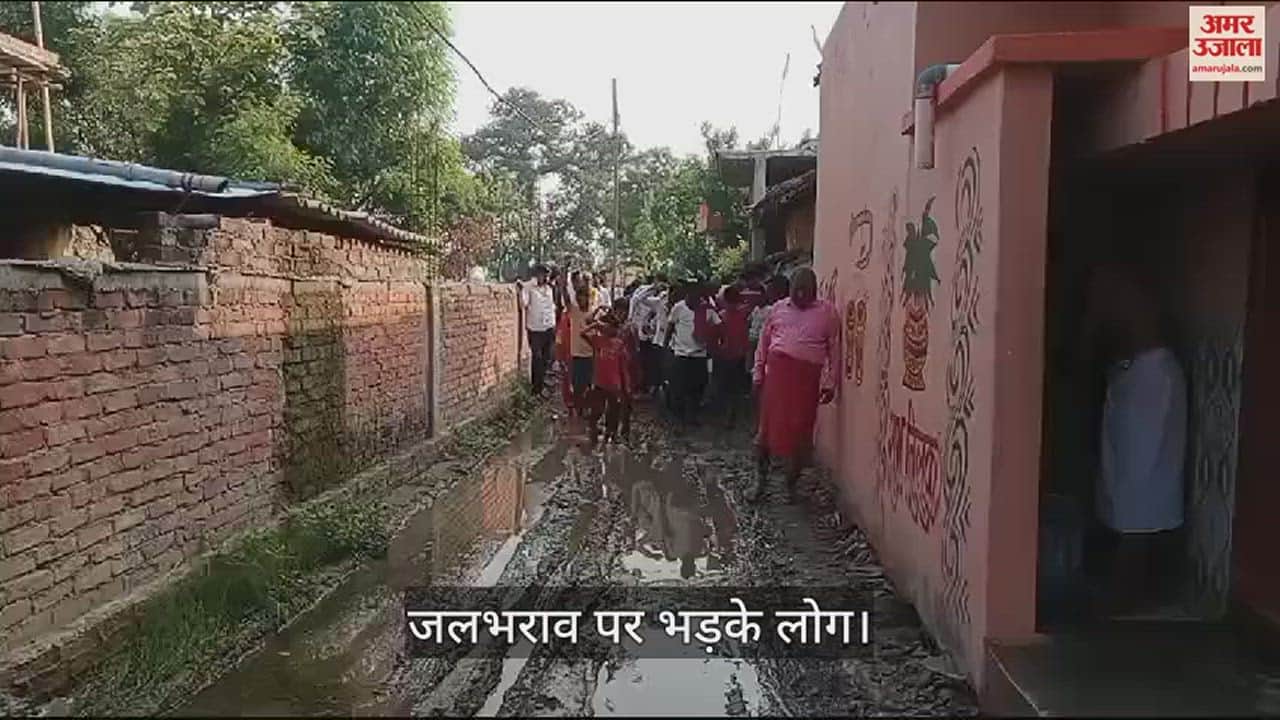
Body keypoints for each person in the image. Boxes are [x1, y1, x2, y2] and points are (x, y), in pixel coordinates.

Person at [1078, 259, 1186, 616]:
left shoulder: (1110, 288)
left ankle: (1128, 589)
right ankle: (1132, 584)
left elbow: (1089, 340)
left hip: (1148, 382)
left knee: (1139, 482)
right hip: (1138, 380)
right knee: (1132, 480)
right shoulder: (1122, 289)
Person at [750, 268, 840, 504]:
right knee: (765, 435)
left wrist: (831, 382)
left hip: (806, 381)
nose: (799, 297)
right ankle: (760, 481)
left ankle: (791, 485)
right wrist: (757, 372)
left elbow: (835, 350)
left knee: (800, 436)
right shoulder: (778, 309)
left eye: (805, 293)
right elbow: (763, 342)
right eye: (795, 292)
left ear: (814, 291)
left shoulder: (827, 313)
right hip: (777, 378)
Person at [664, 280, 721, 427]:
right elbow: (670, 327)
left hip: (700, 355)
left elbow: (719, 326)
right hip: (681, 355)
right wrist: (666, 347)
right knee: (678, 388)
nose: (694, 298)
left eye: (697, 295)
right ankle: (678, 418)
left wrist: (711, 344)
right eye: (691, 294)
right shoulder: (679, 308)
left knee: (697, 388)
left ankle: (692, 416)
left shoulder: (707, 310)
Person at [581, 309, 632, 445]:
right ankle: (593, 435)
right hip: (599, 383)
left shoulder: (619, 344)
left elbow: (623, 368)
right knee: (596, 411)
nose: (607, 329)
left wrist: (626, 387)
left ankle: (611, 436)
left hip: (614, 385)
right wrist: (595, 325)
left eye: (609, 326)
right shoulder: (598, 341)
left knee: (613, 413)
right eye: (605, 326)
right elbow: (582, 333)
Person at [712, 283, 755, 429]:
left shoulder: (722, 315)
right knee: (733, 388)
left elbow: (715, 338)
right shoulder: (743, 313)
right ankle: (730, 415)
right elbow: (755, 298)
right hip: (735, 355)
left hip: (729, 355)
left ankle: (728, 415)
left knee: (727, 387)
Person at [519, 263, 556, 398]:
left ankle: (541, 385)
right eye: (543, 274)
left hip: (549, 328)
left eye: (547, 274)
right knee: (537, 359)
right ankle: (536, 389)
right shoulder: (529, 287)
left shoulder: (550, 289)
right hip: (535, 330)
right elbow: (523, 303)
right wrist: (521, 289)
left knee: (547, 359)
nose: (545, 277)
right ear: (537, 274)